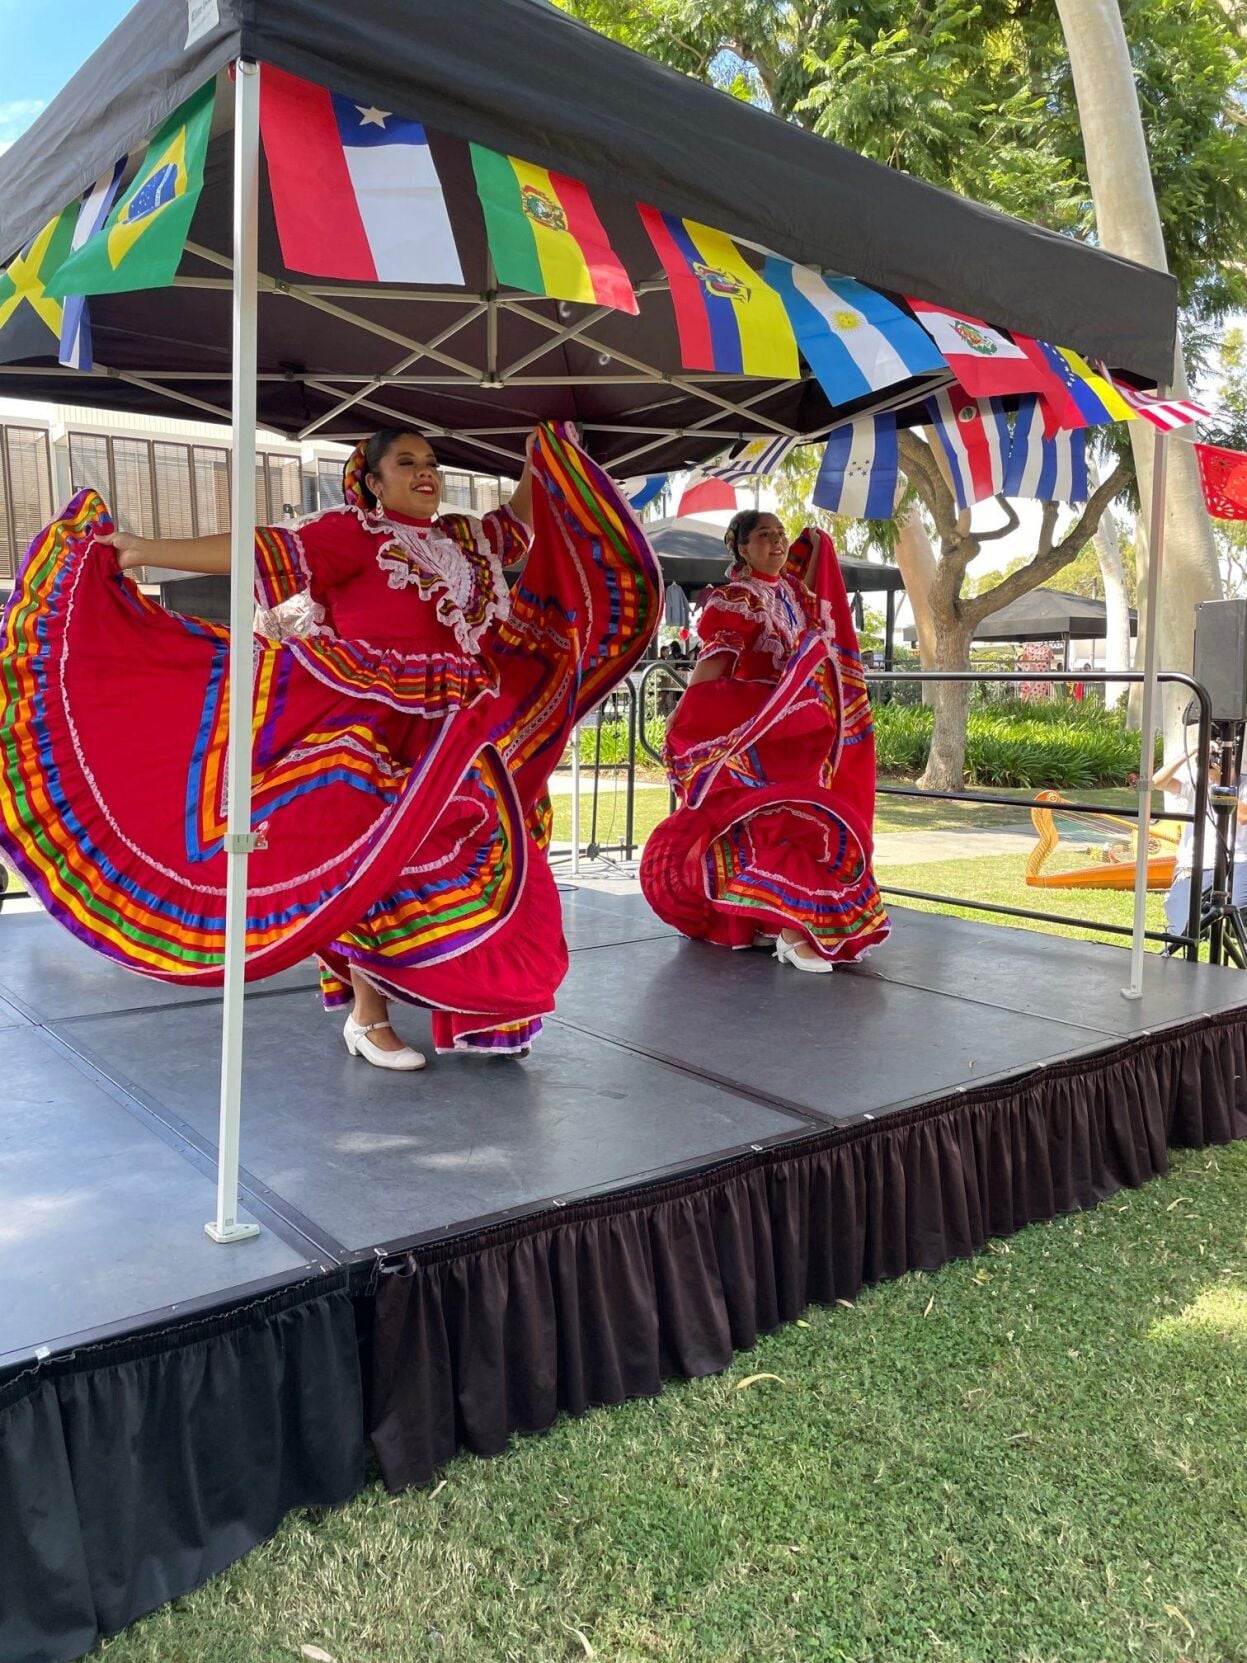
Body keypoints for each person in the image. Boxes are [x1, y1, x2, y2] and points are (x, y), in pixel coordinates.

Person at [0, 423, 661, 1067]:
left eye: (429, 460)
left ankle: (488, 1014)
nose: (424, 471)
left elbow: (521, 514)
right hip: (369, 728)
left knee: (504, 862)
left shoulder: (465, 538)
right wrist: (147, 547)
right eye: (404, 462)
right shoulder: (352, 535)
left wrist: (543, 452)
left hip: (459, 732)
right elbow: (260, 549)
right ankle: (367, 1016)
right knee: (372, 869)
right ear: (371, 483)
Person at [640, 509, 889, 971]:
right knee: (775, 824)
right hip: (754, 726)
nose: (777, 543)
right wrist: (686, 713)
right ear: (740, 546)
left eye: (780, 536)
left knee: (797, 819)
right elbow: (716, 662)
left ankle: (773, 922)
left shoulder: (795, 593)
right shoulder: (736, 599)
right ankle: (789, 929)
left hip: (799, 729)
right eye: (764, 536)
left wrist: (816, 545)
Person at [1154, 734, 1247, 938]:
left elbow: (1242, 816)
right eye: (1213, 755)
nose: (1215, 761)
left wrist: (1218, 783)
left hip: (1238, 862)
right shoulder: (1198, 781)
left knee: (1237, 913)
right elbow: (1158, 782)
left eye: (1221, 756)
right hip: (1197, 861)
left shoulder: (1244, 785)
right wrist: (1191, 751)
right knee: (1181, 928)